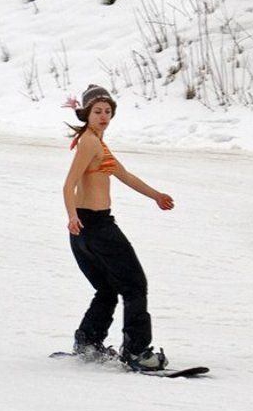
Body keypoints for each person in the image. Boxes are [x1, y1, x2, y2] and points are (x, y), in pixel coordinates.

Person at [62, 84, 174, 371]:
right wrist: (72, 215)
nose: (103, 116)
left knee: (108, 288)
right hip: (95, 226)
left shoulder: (97, 142)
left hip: (85, 230)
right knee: (135, 285)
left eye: (108, 111)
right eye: (97, 111)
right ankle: (137, 352)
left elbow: (124, 175)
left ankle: (88, 341)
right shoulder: (89, 142)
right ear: (86, 113)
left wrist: (156, 196)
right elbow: (69, 183)